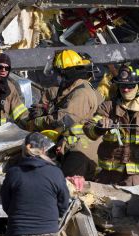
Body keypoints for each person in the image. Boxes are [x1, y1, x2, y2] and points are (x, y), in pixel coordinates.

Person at [28, 49, 103, 181]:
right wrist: (45, 110)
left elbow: (63, 120)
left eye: (58, 73)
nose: (56, 77)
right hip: (71, 146)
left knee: (67, 187)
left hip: (80, 151)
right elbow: (61, 106)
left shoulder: (82, 93)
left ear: (66, 73)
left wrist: (37, 122)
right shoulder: (73, 88)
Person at [1, 132, 69, 236]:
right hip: (47, 235)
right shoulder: (55, 172)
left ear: (24, 149)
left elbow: (6, 203)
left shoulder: (13, 172)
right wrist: (52, 218)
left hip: (17, 233)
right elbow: (64, 204)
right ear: (44, 150)